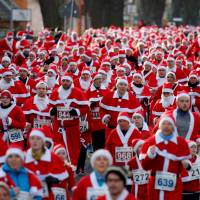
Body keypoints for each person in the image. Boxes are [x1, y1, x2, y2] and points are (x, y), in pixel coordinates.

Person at [140, 115, 191, 200]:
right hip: (155, 183)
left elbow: (189, 168)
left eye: (169, 124)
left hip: (174, 184)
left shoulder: (181, 143)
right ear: (159, 125)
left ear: (174, 127)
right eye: (164, 123)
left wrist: (186, 164)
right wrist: (150, 155)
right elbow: (145, 166)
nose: (166, 126)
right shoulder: (150, 142)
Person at [49, 73, 89, 166]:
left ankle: (73, 166)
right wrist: (52, 110)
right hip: (58, 126)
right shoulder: (55, 92)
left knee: (74, 148)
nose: (65, 83)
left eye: (67, 81)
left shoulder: (78, 92)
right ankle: (59, 166)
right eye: (63, 80)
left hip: (72, 127)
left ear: (71, 81)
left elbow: (85, 107)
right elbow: (50, 105)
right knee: (58, 147)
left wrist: (77, 111)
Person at [24, 128, 68, 200]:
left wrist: (53, 179)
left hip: (47, 194)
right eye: (32, 138)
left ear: (43, 141)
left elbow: (62, 176)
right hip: (29, 194)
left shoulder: (53, 157)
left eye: (38, 138)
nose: (35, 141)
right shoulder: (23, 157)